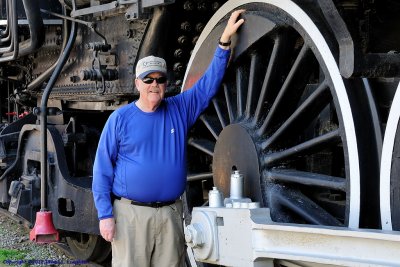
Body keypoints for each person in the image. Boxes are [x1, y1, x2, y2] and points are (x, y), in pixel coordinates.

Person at [92, 10, 245, 267]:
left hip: (170, 215)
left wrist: (224, 43)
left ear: (166, 83)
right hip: (131, 217)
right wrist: (105, 215)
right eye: (148, 79)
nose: (154, 84)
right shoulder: (120, 119)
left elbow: (208, 85)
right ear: (137, 83)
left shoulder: (179, 109)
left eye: (160, 79)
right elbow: (102, 170)